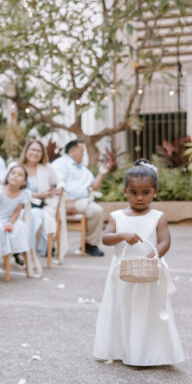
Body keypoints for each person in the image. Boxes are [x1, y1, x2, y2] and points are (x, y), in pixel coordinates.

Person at [94, 160, 183, 366]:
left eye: (145, 192)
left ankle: (147, 352)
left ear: (155, 191)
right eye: (133, 193)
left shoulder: (158, 217)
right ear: (125, 191)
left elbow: (165, 241)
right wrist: (122, 235)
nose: (140, 198)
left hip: (148, 272)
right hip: (122, 273)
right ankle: (120, 348)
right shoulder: (117, 216)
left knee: (146, 311)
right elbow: (106, 239)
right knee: (121, 308)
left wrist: (151, 259)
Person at [50, 139, 108, 256]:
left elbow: (94, 186)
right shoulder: (60, 164)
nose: (83, 154)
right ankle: (48, 245)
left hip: (82, 201)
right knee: (49, 213)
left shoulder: (83, 169)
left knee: (97, 211)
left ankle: (90, 245)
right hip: (61, 201)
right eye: (82, 151)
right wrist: (66, 201)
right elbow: (57, 184)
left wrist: (101, 174)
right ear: (71, 151)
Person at [19, 139, 61, 256]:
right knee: (28, 215)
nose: (35, 153)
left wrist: (56, 190)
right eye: (33, 149)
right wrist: (36, 195)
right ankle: (20, 251)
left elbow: (58, 183)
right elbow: (10, 189)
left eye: (39, 151)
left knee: (36, 216)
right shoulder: (16, 167)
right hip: (18, 205)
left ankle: (30, 253)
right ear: (26, 150)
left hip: (40, 206)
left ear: (42, 154)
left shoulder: (47, 168)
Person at [0, 163, 32, 269]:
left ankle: (18, 253)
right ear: (8, 176)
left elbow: (17, 212)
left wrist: (11, 222)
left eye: (19, 175)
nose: (15, 176)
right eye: (13, 173)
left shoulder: (23, 194)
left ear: (24, 181)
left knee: (21, 226)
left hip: (8, 218)